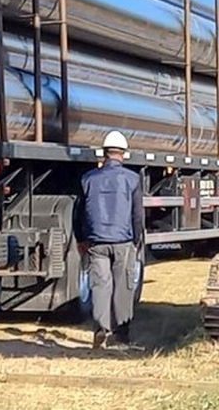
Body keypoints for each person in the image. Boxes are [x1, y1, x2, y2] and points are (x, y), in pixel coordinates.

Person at [77, 130, 145, 349]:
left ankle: (101, 329)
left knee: (100, 285)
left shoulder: (88, 179)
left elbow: (78, 212)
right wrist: (137, 239)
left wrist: (81, 239)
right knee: (123, 287)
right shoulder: (132, 179)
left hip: (96, 242)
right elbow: (137, 214)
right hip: (123, 241)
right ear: (123, 154)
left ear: (103, 153)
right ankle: (121, 336)